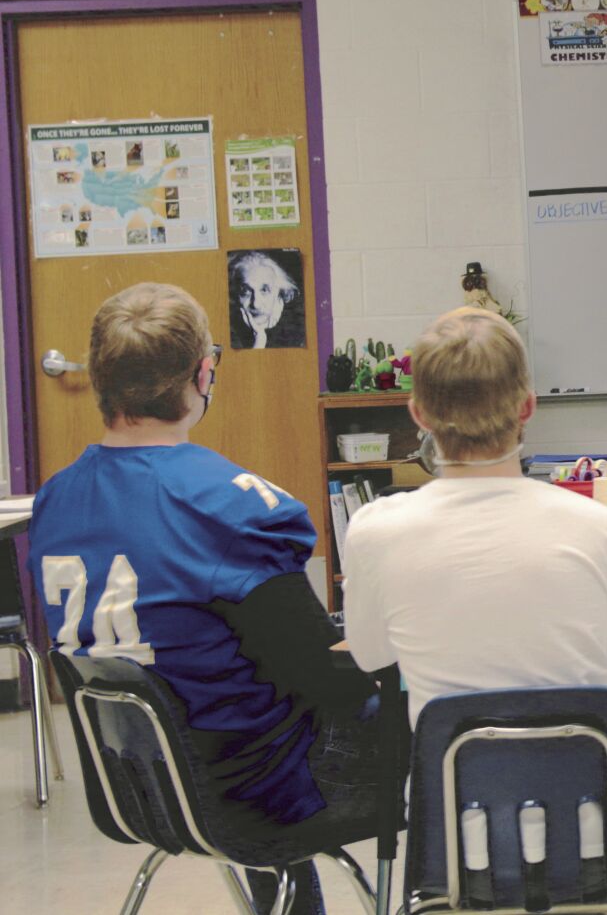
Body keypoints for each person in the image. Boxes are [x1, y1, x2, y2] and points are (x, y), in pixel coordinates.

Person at [29, 283, 377, 915]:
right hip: (249, 793)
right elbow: (326, 676)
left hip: (136, 787)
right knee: (424, 712)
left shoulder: (55, 499)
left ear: (101, 378)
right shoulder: (232, 505)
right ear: (203, 373)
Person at [342, 309, 607, 727]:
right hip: (590, 787)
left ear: (419, 414)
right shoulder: (606, 529)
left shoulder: (375, 531)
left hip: (449, 788)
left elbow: (370, 654)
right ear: (527, 407)